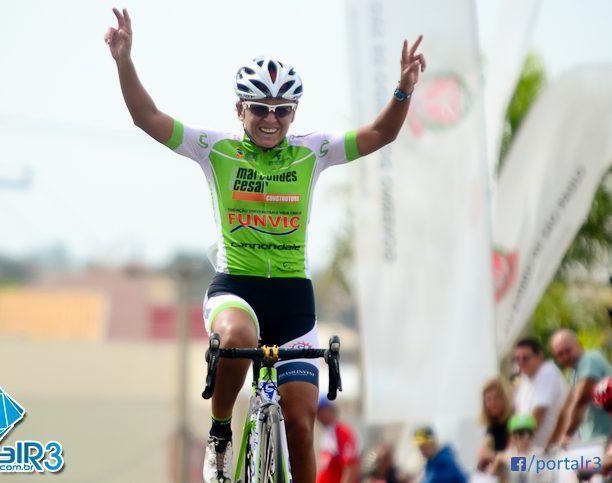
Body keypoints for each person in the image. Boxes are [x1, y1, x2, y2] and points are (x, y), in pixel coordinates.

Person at [104, 7, 426, 483]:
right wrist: (124, 60)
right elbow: (145, 116)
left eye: (282, 110)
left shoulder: (311, 151)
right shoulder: (215, 148)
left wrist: (403, 89)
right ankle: (219, 435)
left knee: (300, 425)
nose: (270, 119)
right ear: (240, 110)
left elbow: (381, 134)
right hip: (236, 290)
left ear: (294, 112)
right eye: (259, 108)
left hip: (295, 301)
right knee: (239, 340)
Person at [546, 329, 612, 449]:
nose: (565, 356)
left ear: (579, 345)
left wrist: (566, 435)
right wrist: (550, 444)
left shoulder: (589, 360)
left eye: (568, 351)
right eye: (560, 354)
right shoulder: (574, 374)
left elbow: (580, 401)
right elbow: (565, 409)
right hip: (596, 442)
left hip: (606, 440)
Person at [512, 337, 568, 448]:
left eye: (525, 358)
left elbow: (538, 414)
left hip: (555, 452)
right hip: (538, 453)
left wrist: (520, 447)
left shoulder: (547, 372)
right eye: (517, 359)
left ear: (540, 357)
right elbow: (518, 417)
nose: (521, 363)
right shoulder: (524, 380)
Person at [488, 414, 552, 483]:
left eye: (529, 433)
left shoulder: (540, 453)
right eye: (520, 433)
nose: (526, 437)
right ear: (512, 436)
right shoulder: (506, 455)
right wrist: (497, 462)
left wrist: (509, 460)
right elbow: (489, 476)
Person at [316, 397, 360, 483]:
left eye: (320, 411)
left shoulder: (342, 432)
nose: (317, 416)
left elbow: (351, 467)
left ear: (329, 410)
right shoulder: (328, 433)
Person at [477, 378, 513, 471]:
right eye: (488, 399)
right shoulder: (492, 424)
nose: (492, 403)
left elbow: (515, 460)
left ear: (504, 399)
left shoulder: (513, 422)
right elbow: (483, 453)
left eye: (496, 398)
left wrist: (492, 455)